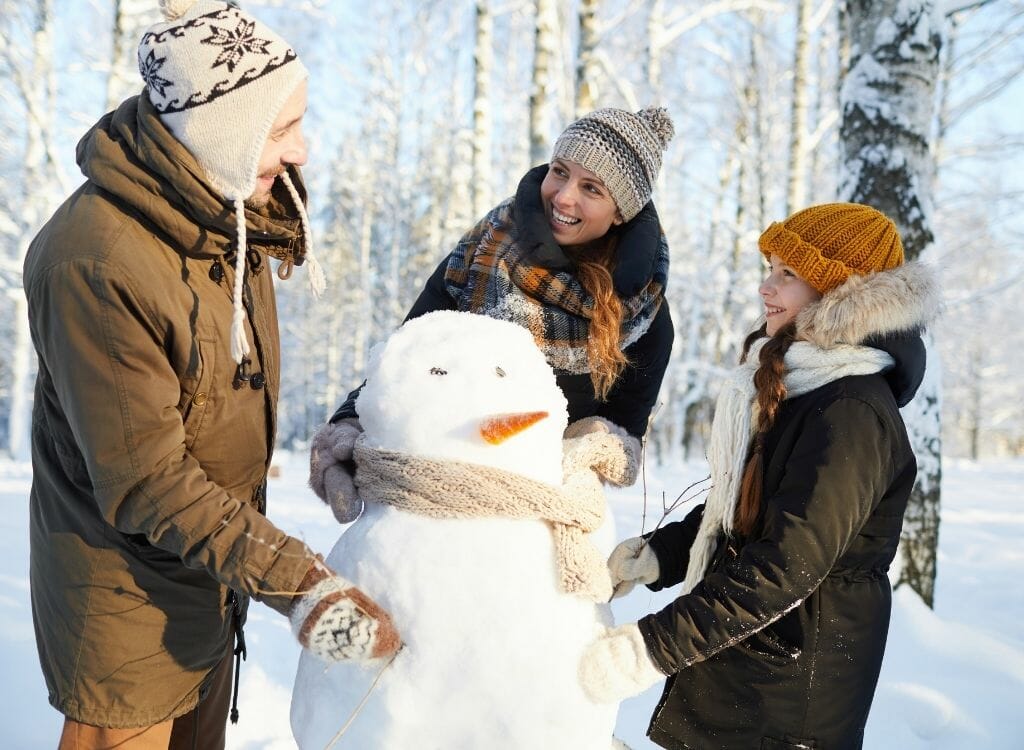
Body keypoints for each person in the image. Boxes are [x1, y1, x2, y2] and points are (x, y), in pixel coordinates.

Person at [23, 2, 398, 748]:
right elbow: (146, 479)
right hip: (123, 605)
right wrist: (301, 585)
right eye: (281, 131)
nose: (302, 151)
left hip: (210, 578)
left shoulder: (224, 213)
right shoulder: (96, 263)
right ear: (218, 132)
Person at [578, 203, 939, 749]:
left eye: (788, 274)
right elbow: (753, 514)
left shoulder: (851, 412)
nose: (766, 288)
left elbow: (784, 565)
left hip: (789, 700)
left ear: (841, 292)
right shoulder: (807, 390)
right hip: (751, 674)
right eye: (769, 269)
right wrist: (664, 553)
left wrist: (646, 650)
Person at [311, 106, 677, 522]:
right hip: (430, 486)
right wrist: (347, 424)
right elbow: (408, 357)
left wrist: (594, 444)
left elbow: (625, 439)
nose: (563, 196)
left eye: (592, 188)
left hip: (532, 512)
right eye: (560, 171)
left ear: (621, 212)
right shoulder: (480, 254)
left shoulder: (645, 320)